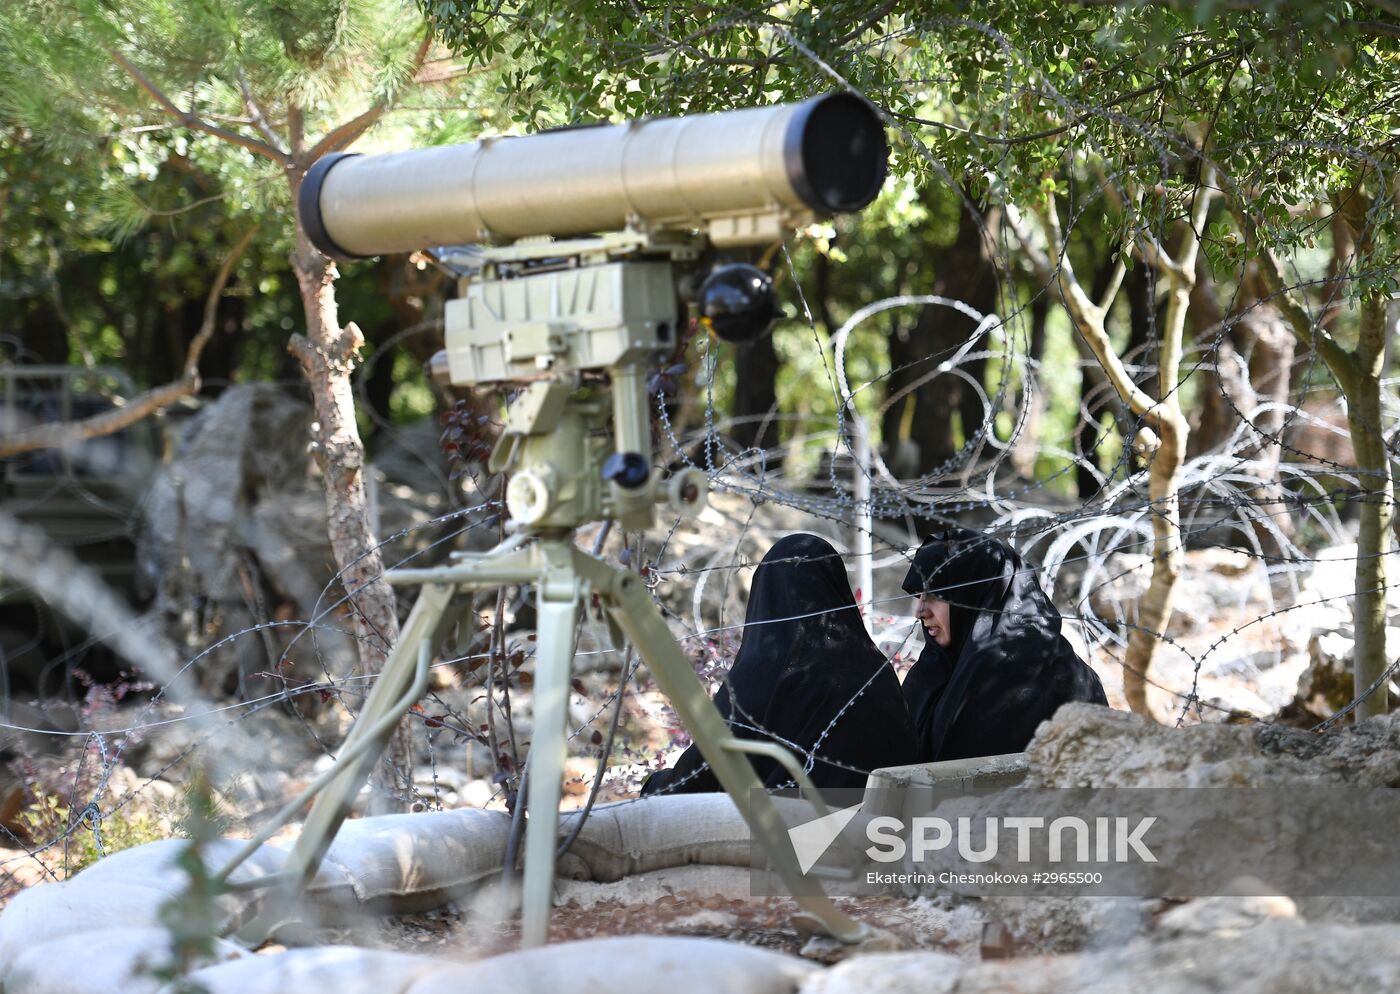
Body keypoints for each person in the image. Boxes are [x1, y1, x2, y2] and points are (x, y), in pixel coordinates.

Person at [642, 533, 918, 795]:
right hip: (877, 830)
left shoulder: (761, 675)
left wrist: (655, 785)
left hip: (789, 834)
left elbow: (701, 774)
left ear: (765, 596)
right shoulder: (874, 671)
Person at [901, 528, 1107, 763]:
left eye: (936, 595)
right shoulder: (932, 671)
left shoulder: (1029, 680)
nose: (920, 611)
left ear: (975, 594)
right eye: (918, 595)